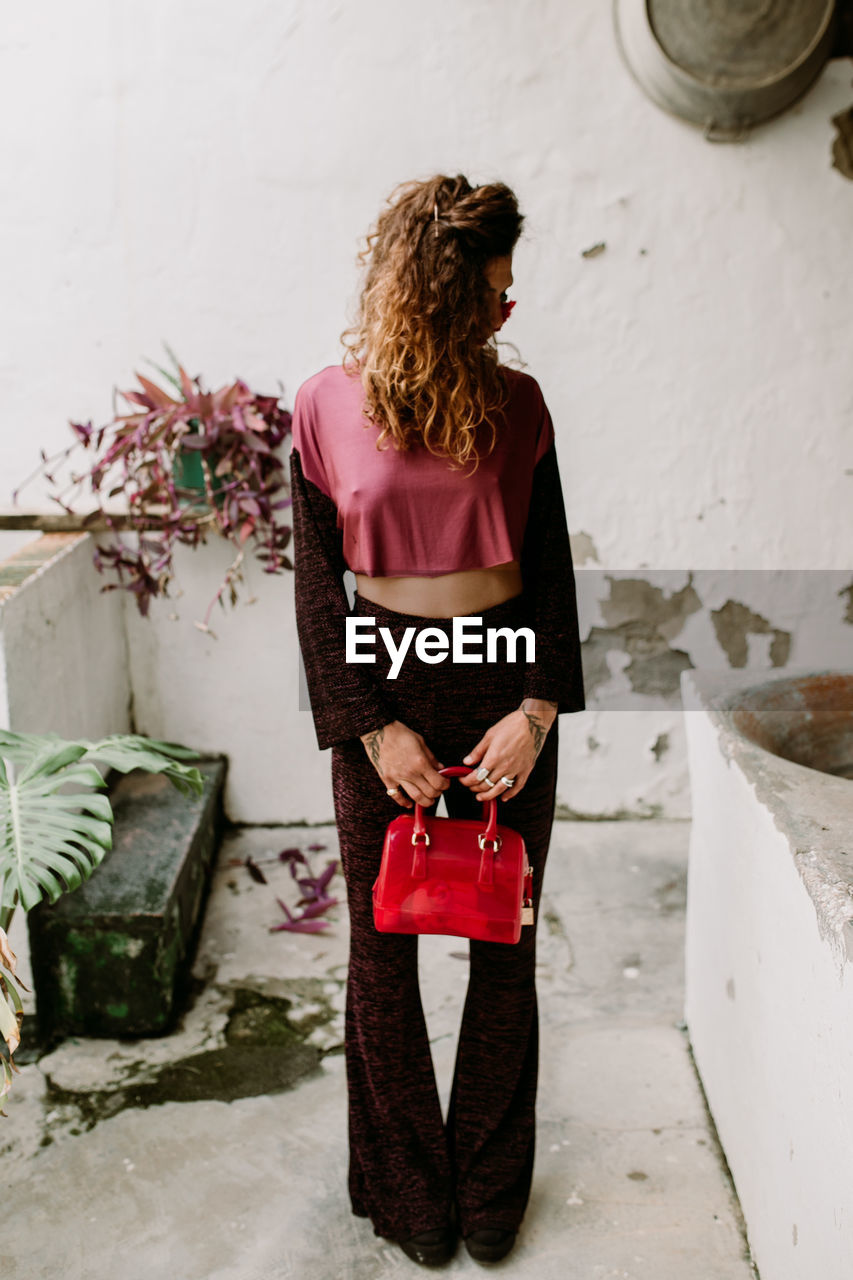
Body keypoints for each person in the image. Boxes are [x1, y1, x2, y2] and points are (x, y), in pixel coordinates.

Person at [289, 173, 585, 1267]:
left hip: (503, 685)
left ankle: (490, 1187)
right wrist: (374, 728)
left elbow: (550, 572)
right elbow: (321, 587)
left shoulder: (521, 405)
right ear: (442, 293)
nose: (509, 317)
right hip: (388, 690)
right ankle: (409, 1185)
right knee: (386, 946)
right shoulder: (324, 403)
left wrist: (537, 713)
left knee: (500, 943)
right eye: (494, 299)